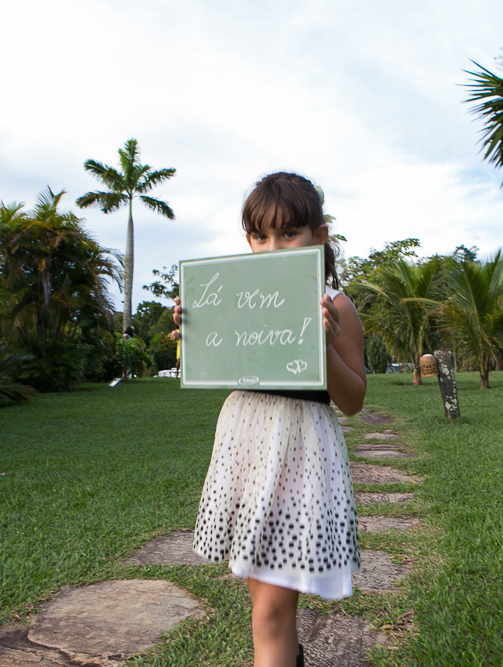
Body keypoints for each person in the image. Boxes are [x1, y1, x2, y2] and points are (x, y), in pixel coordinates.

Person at [173, 172, 367, 667]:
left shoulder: (336, 305)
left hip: (301, 453)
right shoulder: (240, 301)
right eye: (260, 236)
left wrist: (323, 344)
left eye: (288, 233)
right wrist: (195, 328)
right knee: (263, 603)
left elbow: (353, 400)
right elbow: (218, 360)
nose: (273, 247)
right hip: (246, 446)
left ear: (318, 237)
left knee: (270, 613)